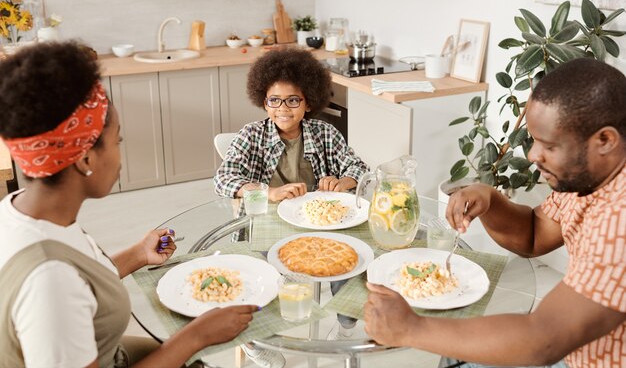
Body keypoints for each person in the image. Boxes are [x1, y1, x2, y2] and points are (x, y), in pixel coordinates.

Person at [0, 42, 258, 368]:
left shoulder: (22, 212)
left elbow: (82, 280)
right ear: (85, 158)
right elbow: (64, 286)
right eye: (117, 140)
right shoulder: (49, 282)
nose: (121, 154)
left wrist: (137, 254)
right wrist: (196, 336)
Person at [364, 58, 626, 368]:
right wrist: (490, 200)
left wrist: (411, 328)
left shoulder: (619, 221)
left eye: (548, 146)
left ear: (605, 140)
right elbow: (535, 234)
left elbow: (543, 340)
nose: (532, 155)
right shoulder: (592, 176)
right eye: (533, 141)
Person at [214, 48, 369, 368]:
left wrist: (344, 182)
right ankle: (257, 343)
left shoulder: (325, 133)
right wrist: (266, 191)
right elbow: (223, 179)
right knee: (249, 281)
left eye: (293, 100)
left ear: (308, 101)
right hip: (265, 225)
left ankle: (345, 329)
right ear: (263, 100)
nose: (283, 108)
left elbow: (359, 167)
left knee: (353, 262)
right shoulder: (251, 135)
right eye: (275, 100)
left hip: (319, 224)